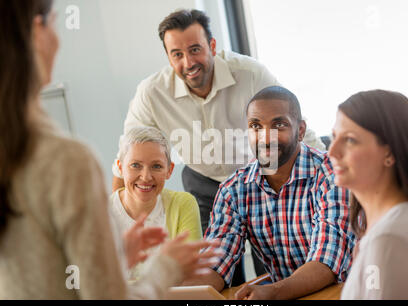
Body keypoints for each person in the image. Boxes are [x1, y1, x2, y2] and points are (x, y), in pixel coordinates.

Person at [0, 0, 218, 299]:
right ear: (38, 32)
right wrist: (164, 267)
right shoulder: (68, 161)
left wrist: (114, 259)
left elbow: (47, 276)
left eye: (156, 166)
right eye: (55, 22)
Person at [111, 8, 325, 284]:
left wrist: (331, 171)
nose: (188, 62)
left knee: (273, 268)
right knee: (217, 269)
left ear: (212, 46)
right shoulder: (152, 93)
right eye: (177, 54)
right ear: (168, 57)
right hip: (205, 183)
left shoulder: (249, 74)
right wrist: (117, 219)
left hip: (259, 178)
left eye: (195, 50)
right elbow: (128, 151)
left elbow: (295, 125)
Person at [184, 86, 355, 299]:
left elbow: (326, 262)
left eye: (279, 125)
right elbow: (214, 264)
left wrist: (273, 292)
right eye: (256, 126)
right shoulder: (234, 190)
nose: (266, 138)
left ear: (301, 130)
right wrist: (172, 292)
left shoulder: (332, 174)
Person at [329, 90, 408, 299]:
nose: (332, 151)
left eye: (349, 140)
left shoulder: (390, 239)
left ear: (390, 152)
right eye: (333, 137)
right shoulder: (396, 225)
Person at [111, 126, 202, 282]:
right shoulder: (99, 213)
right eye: (135, 165)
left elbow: (190, 275)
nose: (146, 177)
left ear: (169, 170)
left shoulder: (183, 204)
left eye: (156, 166)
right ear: (120, 167)